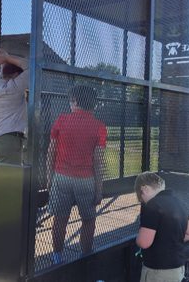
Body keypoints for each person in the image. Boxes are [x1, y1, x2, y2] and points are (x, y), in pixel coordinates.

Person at [47, 85, 107, 264]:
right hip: (85, 179)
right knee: (88, 219)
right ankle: (85, 254)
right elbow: (98, 161)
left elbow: (51, 151)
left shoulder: (62, 120)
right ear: (93, 105)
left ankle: (57, 256)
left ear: (74, 101)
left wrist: (50, 179)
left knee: (60, 219)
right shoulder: (99, 126)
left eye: (70, 101)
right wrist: (99, 189)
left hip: (61, 177)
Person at [134, 172, 189, 282]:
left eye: (141, 197)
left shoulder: (152, 206)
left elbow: (144, 242)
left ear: (145, 189)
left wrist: (138, 239)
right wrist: (170, 241)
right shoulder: (179, 202)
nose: (143, 201)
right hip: (178, 269)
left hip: (158, 272)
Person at [0, 47, 28, 165]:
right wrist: (7, 58)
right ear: (15, 74)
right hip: (6, 140)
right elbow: (30, 67)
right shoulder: (15, 87)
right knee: (8, 182)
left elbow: (3, 73)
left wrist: (2, 60)